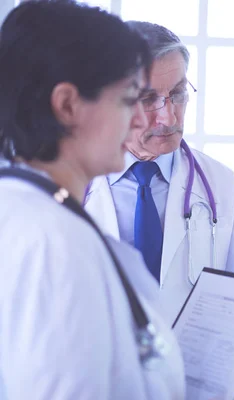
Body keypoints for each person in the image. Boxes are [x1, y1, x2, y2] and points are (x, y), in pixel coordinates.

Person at [0, 1, 184, 399]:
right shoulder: (53, 240)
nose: (141, 121)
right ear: (67, 105)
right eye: (128, 100)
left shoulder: (28, 212)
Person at [83, 21, 234, 326]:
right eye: (148, 100)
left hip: (187, 370)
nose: (169, 116)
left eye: (179, 93)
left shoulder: (223, 186)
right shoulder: (74, 185)